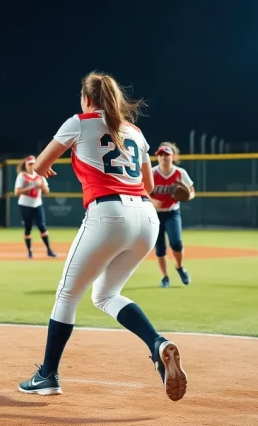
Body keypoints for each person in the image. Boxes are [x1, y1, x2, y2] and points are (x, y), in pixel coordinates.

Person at [17, 72, 187, 402]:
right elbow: (150, 187)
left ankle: (47, 375)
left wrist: (46, 166)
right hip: (146, 217)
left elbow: (38, 165)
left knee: (67, 295)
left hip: (108, 213)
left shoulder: (79, 121)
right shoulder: (134, 131)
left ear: (87, 99)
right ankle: (157, 344)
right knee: (106, 294)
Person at [150, 142, 195, 288]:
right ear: (157, 157)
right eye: (160, 154)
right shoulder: (152, 172)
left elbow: (192, 190)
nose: (163, 157)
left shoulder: (180, 173)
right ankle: (165, 277)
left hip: (172, 212)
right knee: (160, 247)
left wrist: (188, 196)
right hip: (154, 214)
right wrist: (151, 200)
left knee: (176, 242)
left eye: (167, 154)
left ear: (173, 156)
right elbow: (141, 190)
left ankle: (180, 267)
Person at [14, 155, 58, 259]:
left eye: (33, 163)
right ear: (26, 165)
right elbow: (17, 192)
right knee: (28, 228)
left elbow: (47, 191)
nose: (31, 165)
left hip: (37, 204)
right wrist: (32, 186)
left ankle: (49, 250)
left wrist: (42, 186)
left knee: (42, 227)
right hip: (25, 205)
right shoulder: (22, 176)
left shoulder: (40, 176)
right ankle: (29, 251)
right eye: (29, 164)